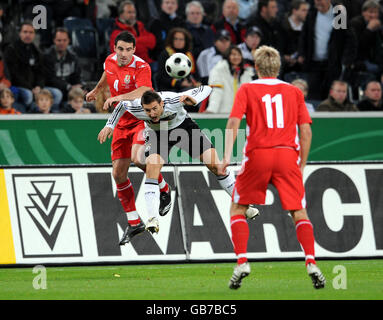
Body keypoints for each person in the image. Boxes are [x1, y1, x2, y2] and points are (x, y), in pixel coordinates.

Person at [218, 45, 325, 290]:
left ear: (256, 67)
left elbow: (233, 121)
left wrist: (225, 156)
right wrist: (302, 163)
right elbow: (306, 130)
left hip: (258, 154)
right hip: (287, 155)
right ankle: (311, 262)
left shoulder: (247, 88)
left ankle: (242, 261)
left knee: (238, 207)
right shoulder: (294, 92)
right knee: (299, 211)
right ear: (279, 67)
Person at [98, 86, 259, 233]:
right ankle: (152, 218)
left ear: (162, 103)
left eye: (155, 108)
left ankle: (243, 205)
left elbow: (207, 89)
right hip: (158, 133)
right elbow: (121, 106)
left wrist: (194, 99)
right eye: (148, 111)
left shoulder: (173, 99)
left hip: (184, 128)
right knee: (152, 168)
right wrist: (110, 125)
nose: (152, 113)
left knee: (218, 167)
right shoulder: (136, 106)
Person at [85, 31, 171, 245]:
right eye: (120, 49)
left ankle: (164, 188)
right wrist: (98, 89)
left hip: (140, 120)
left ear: (134, 50)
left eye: (128, 50)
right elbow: (107, 73)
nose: (124, 54)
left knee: (138, 159)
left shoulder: (142, 67)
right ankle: (134, 222)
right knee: (118, 173)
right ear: (115, 48)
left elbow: (144, 90)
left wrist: (118, 97)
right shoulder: (109, 61)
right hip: (121, 123)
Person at [298, 0, 357, 100]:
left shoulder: (338, 14)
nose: (318, 3)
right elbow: (304, 35)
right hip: (313, 63)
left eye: (321, 0)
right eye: (316, 0)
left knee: (330, 94)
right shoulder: (312, 13)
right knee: (313, 94)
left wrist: (346, 60)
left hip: (332, 63)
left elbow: (348, 38)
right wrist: (302, 53)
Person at [3, 21, 63, 111]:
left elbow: (41, 73)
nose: (28, 35)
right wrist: (31, 88)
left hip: (35, 88)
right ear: (20, 33)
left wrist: (39, 86)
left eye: (31, 32)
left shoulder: (36, 51)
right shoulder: (11, 50)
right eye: (25, 32)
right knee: (28, 95)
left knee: (57, 94)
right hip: (19, 86)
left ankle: (51, 118)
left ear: (34, 35)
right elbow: (13, 74)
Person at [206, 45, 255, 113]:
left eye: (239, 55)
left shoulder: (246, 73)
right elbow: (217, 91)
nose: (236, 57)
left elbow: (249, 95)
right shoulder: (219, 70)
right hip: (223, 113)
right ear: (227, 56)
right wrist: (212, 109)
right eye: (233, 54)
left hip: (241, 113)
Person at [155, 27, 200, 95]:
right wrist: (180, 83)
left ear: (186, 41)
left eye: (181, 39)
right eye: (176, 39)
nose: (178, 41)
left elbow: (194, 74)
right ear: (171, 40)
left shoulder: (188, 55)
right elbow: (161, 77)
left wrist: (196, 82)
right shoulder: (165, 54)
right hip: (168, 89)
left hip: (187, 87)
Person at [43, 27, 83, 102]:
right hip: (51, 88)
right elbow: (50, 79)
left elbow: (76, 75)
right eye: (59, 40)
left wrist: (79, 86)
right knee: (58, 94)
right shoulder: (47, 56)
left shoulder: (73, 57)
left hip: (68, 87)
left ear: (68, 41)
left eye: (64, 40)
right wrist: (69, 87)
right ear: (54, 41)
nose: (62, 43)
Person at [350, 0, 383, 83]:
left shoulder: (378, 25)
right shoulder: (355, 24)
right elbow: (358, 46)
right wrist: (369, 30)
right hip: (359, 61)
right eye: (370, 12)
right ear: (363, 12)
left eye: (376, 12)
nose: (373, 15)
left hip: (374, 61)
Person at [280, 0, 310, 76]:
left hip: (301, 67)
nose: (306, 13)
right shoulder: (281, 25)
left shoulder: (308, 28)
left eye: (307, 10)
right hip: (283, 66)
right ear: (294, 11)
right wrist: (284, 57)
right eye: (303, 10)